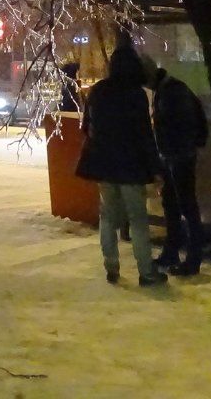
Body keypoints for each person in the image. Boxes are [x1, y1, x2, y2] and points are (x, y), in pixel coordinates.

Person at [76, 44, 168, 286]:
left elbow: (87, 127)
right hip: (131, 167)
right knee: (137, 219)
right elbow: (144, 136)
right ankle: (146, 271)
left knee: (107, 217)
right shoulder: (135, 94)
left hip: (104, 165)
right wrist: (155, 168)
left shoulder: (98, 91)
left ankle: (112, 267)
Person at [144, 58, 208, 277]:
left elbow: (179, 127)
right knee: (175, 205)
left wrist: (169, 154)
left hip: (178, 157)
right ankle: (176, 253)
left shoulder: (171, 93)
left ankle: (191, 259)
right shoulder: (170, 89)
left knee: (184, 207)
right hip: (177, 156)